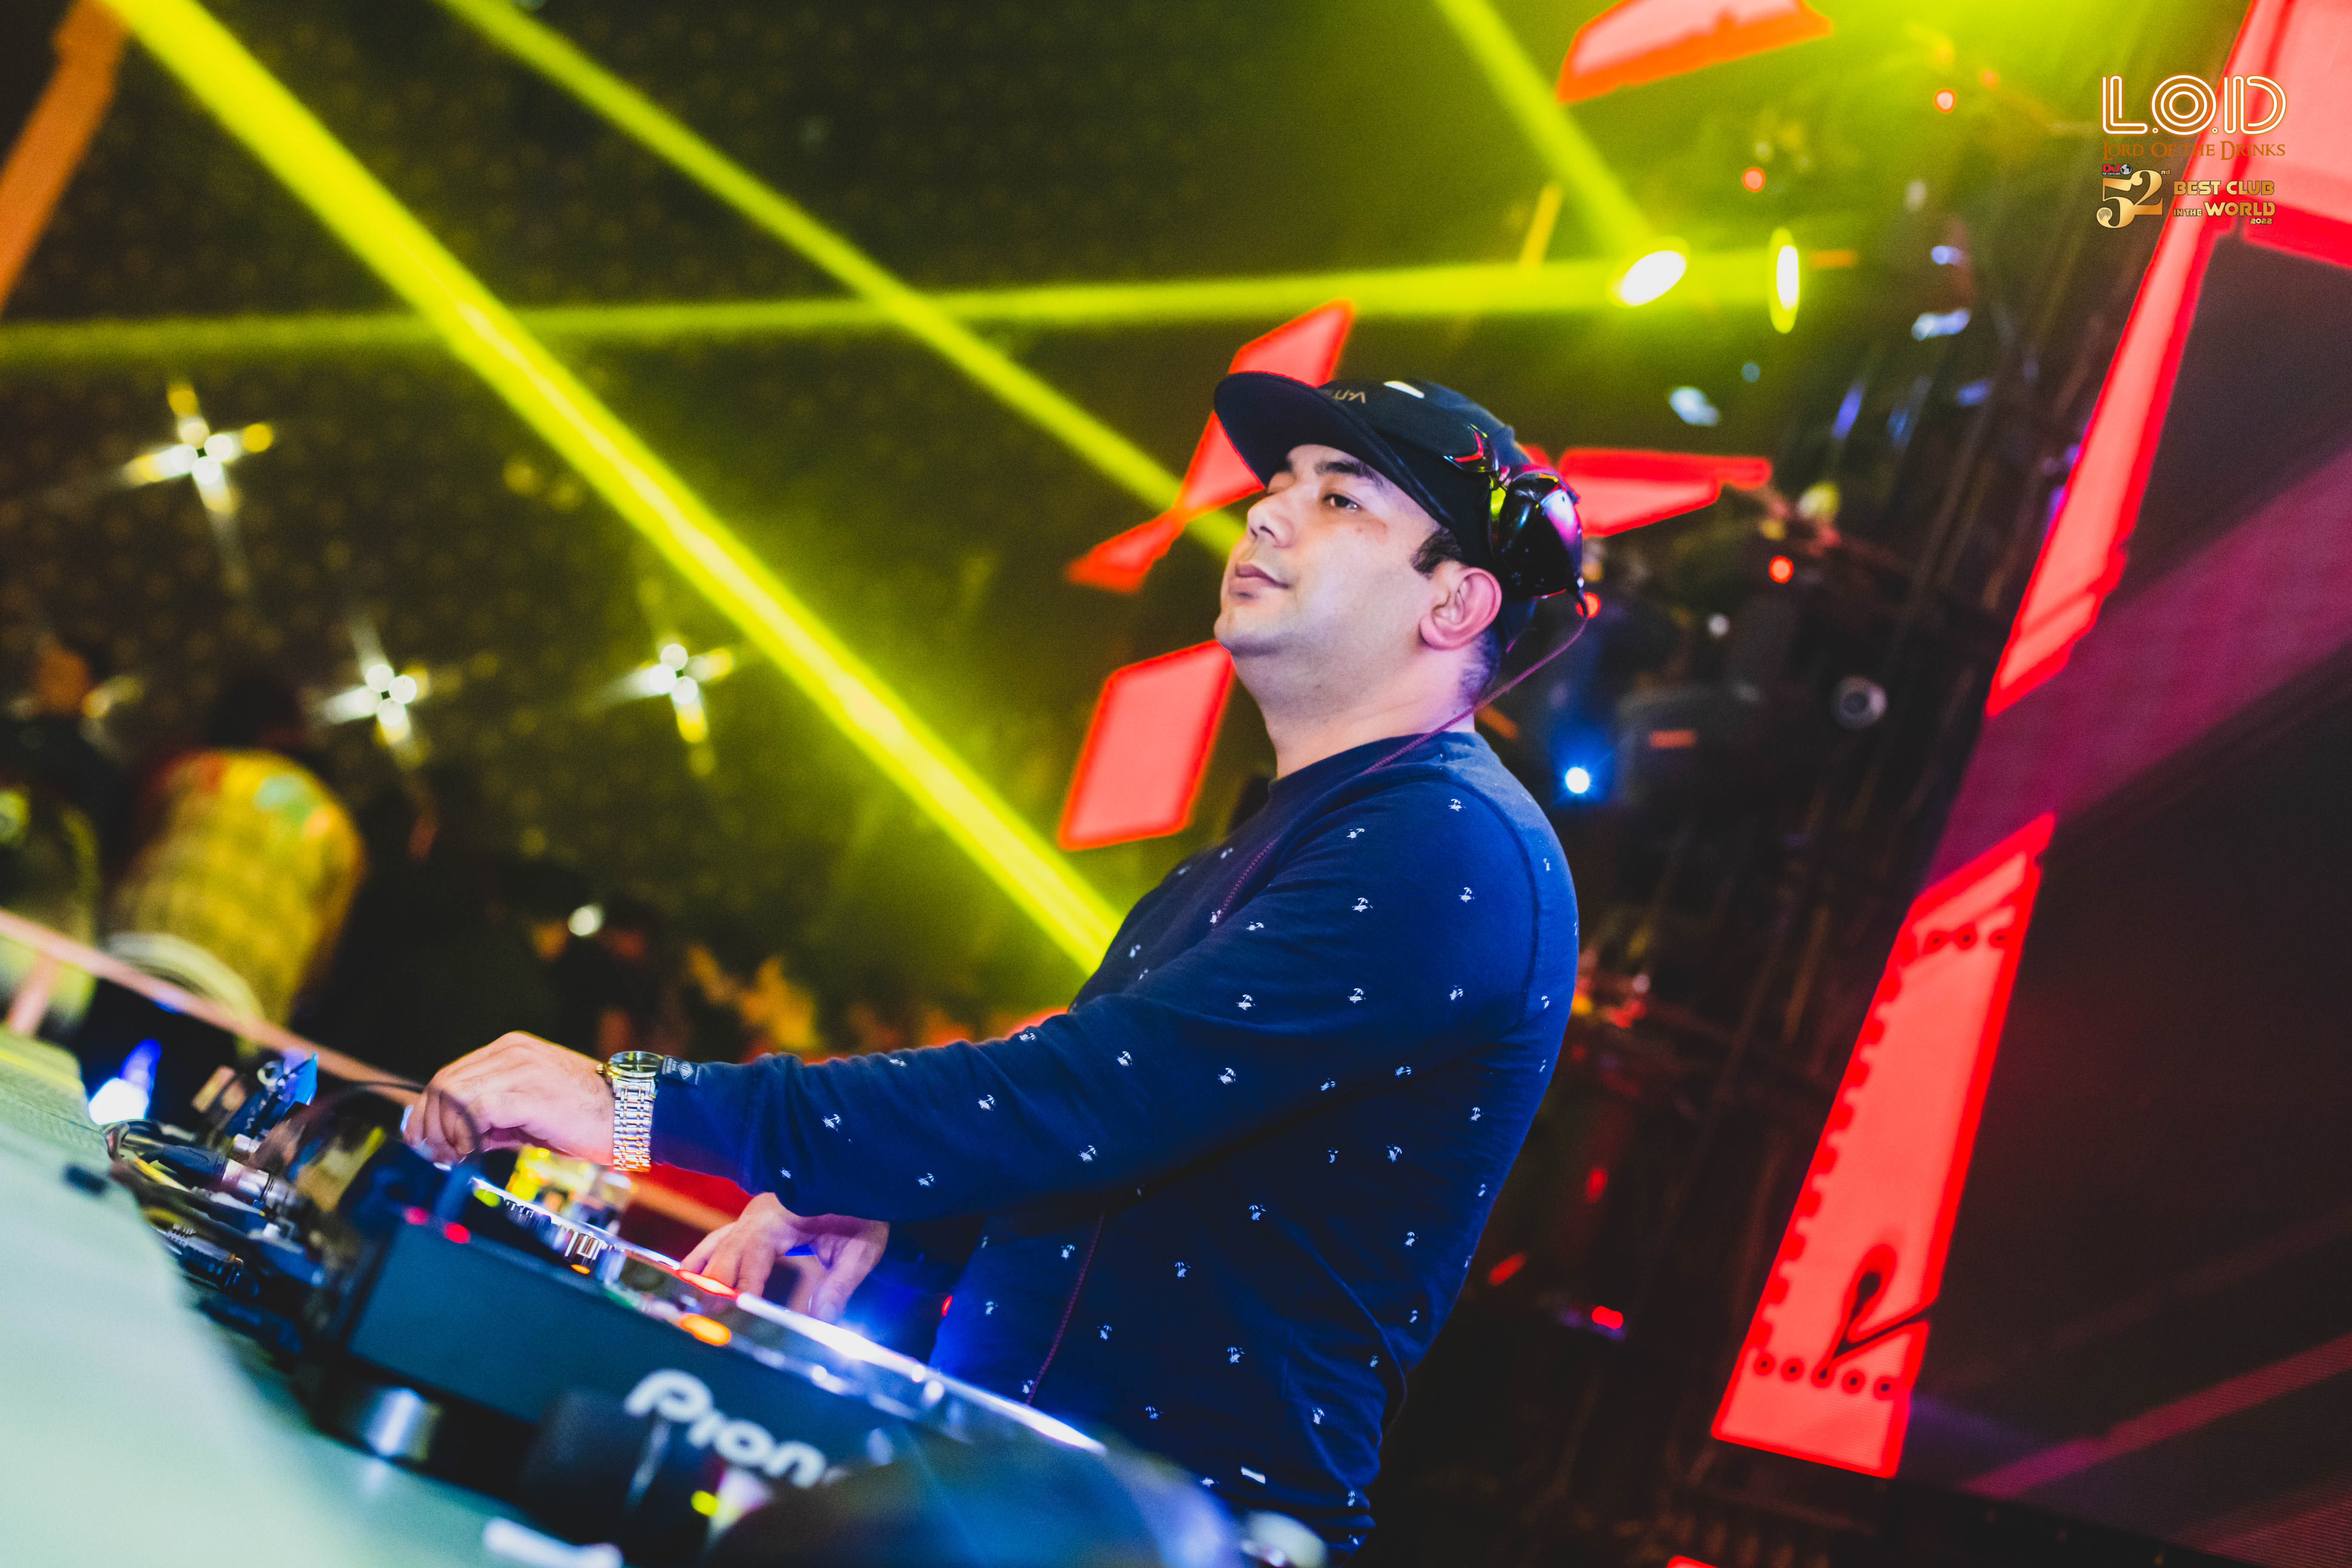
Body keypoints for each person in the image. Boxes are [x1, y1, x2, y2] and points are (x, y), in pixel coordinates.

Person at [409, 374, 1586, 1556]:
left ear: (1457, 603)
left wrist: (632, 1106)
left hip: (1167, 1533)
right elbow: (1116, 1171)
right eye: (1278, 484)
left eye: (1341, 499)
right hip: (1042, 1500)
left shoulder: (1448, 845)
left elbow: (1089, 1096)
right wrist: (888, 1212)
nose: (1267, 513)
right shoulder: (1281, 841)